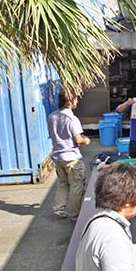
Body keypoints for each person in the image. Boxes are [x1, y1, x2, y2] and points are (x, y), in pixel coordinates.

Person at [47, 89, 90, 220]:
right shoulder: (72, 118)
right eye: (76, 99)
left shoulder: (52, 116)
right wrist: (86, 140)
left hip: (58, 157)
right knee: (76, 186)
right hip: (71, 158)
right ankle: (74, 214)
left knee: (63, 183)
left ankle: (59, 209)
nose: (77, 101)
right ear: (70, 101)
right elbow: (78, 139)